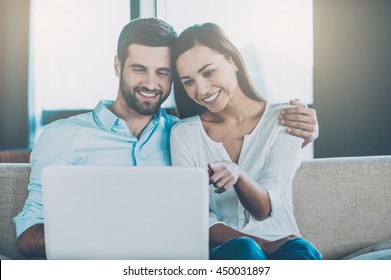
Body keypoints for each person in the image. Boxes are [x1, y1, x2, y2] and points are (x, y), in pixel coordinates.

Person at [13, 18, 318, 259]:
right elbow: (28, 237)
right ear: (117, 65)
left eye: (163, 72)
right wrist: (113, 235)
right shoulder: (62, 137)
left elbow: (244, 140)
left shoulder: (180, 133)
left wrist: (306, 132)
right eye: (138, 69)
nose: (150, 83)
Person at [170, 22, 322, 260]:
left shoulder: (286, 119)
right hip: (227, 250)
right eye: (188, 81)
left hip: (285, 243)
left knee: (302, 250)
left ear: (232, 60)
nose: (201, 89)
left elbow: (265, 208)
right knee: (246, 249)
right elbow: (196, 217)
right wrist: (259, 243)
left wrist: (237, 174)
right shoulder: (184, 134)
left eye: (209, 72)